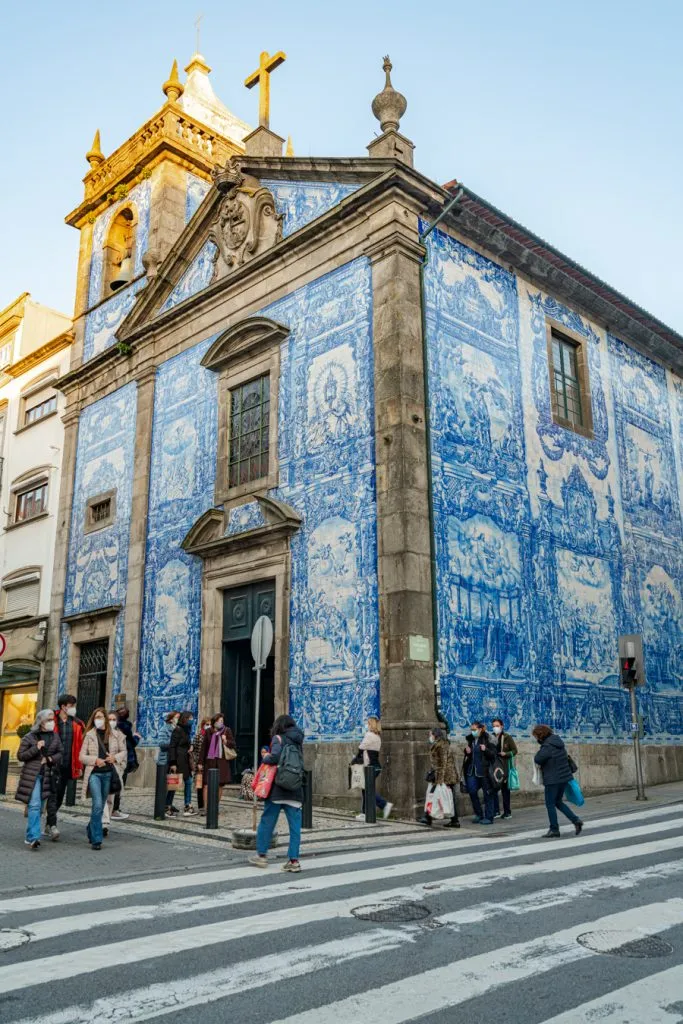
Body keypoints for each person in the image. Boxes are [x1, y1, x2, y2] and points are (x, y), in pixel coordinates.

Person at [249, 715, 305, 872]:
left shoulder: (278, 738)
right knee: (295, 827)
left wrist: (265, 756)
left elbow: (275, 758)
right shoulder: (299, 740)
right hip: (295, 789)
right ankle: (294, 861)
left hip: (277, 789)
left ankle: (261, 856)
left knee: (267, 821)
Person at [79, 708, 126, 850]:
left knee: (102, 804)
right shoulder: (89, 735)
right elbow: (82, 756)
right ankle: (97, 839)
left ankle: (91, 828)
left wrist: (114, 758)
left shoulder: (115, 735)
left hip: (108, 774)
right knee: (98, 805)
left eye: (100, 717)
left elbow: (123, 751)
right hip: (94, 774)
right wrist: (95, 760)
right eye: (96, 717)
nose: (98, 719)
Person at [16, 709, 62, 849]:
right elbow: (21, 756)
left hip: (48, 775)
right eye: (49, 719)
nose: (52, 722)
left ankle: (31, 832)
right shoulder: (30, 737)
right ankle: (33, 838)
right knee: (35, 805)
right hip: (33, 775)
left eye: (52, 719)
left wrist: (49, 759)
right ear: (41, 721)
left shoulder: (55, 736)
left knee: (40, 807)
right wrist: (36, 748)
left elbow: (60, 752)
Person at [533, 724, 584, 838]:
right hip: (564, 778)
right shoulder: (558, 743)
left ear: (541, 735)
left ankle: (554, 829)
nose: (536, 739)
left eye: (536, 736)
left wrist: (541, 745)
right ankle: (576, 821)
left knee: (550, 804)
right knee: (558, 802)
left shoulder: (547, 746)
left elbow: (538, 758)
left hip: (553, 780)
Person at [53, 694, 85, 829]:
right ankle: (51, 823)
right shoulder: (51, 720)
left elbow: (80, 745)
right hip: (52, 764)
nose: (73, 708)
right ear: (63, 707)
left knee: (59, 795)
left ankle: (50, 822)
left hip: (67, 765)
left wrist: (79, 765)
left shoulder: (78, 724)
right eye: (71, 706)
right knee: (50, 794)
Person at [419, 727, 460, 828]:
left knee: (437, 795)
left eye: (430, 734)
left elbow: (443, 763)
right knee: (439, 795)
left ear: (435, 735)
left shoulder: (441, 745)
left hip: (445, 776)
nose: (430, 737)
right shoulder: (439, 744)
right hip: (440, 775)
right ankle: (453, 820)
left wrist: (440, 780)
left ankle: (428, 817)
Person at [355, 716, 393, 821]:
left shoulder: (369, 735)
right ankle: (364, 812)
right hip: (376, 767)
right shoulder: (377, 737)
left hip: (369, 768)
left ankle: (384, 805)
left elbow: (360, 748)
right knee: (365, 789)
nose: (367, 725)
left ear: (371, 724)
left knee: (368, 790)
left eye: (368, 723)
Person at [198, 712, 237, 809]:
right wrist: (200, 762)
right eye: (219, 721)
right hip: (209, 762)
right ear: (214, 722)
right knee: (206, 784)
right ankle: (207, 807)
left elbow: (233, 744)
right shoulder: (208, 731)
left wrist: (226, 741)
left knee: (220, 785)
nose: (221, 723)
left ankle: (215, 807)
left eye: (222, 721)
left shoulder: (227, 731)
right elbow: (204, 748)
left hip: (222, 762)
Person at [462, 720, 497, 824]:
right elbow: (470, 755)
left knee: (487, 793)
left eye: (474, 729)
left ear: (480, 729)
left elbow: (493, 755)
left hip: (484, 771)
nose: (473, 731)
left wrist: (485, 749)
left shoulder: (488, 739)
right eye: (471, 729)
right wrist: (467, 752)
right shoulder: (471, 739)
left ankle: (489, 817)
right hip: (472, 771)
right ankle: (479, 814)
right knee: (472, 791)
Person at [101, 710, 129, 836]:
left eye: (114, 719)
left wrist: (117, 761)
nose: (111, 721)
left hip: (114, 769)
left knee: (110, 799)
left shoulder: (120, 735)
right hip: (101, 768)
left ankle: (104, 820)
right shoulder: (99, 734)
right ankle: (104, 823)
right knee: (101, 797)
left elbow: (124, 752)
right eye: (109, 719)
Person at [111, 705, 140, 819]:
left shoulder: (112, 727)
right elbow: (131, 743)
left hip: (113, 758)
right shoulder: (126, 727)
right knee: (119, 784)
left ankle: (112, 808)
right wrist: (136, 737)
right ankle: (114, 809)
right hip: (123, 759)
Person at [169, 710, 196, 816]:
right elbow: (172, 746)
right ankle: (168, 805)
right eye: (190, 718)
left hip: (185, 760)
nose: (191, 720)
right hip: (179, 760)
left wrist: (190, 746)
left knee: (187, 782)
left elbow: (184, 744)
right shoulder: (178, 730)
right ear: (185, 719)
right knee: (174, 784)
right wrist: (173, 763)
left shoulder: (185, 730)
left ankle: (187, 805)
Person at [492, 717, 518, 819]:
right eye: (494, 726)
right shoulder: (491, 737)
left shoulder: (507, 737)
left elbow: (515, 751)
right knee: (494, 789)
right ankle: (496, 811)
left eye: (497, 726)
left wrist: (505, 753)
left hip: (504, 766)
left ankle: (507, 812)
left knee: (505, 790)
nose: (495, 728)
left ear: (502, 726)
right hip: (494, 767)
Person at [156, 711, 181, 818]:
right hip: (165, 760)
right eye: (177, 717)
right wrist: (174, 743)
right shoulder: (164, 729)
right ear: (171, 719)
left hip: (175, 760)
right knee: (165, 786)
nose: (179, 719)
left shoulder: (179, 730)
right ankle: (163, 806)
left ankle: (168, 804)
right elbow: (161, 744)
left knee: (173, 785)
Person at [192, 717, 210, 812]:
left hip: (209, 763)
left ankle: (208, 804)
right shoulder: (199, 735)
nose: (208, 726)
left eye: (210, 724)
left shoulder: (212, 735)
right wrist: (198, 762)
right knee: (200, 785)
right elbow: (194, 749)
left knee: (208, 784)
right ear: (203, 725)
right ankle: (201, 806)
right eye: (207, 724)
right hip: (200, 764)